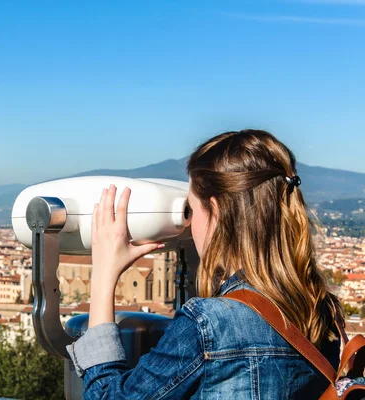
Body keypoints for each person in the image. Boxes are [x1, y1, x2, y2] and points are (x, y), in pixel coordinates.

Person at [66, 129, 343, 399]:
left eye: (191, 209)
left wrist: (103, 273)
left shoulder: (208, 325)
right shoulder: (322, 310)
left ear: (217, 212)